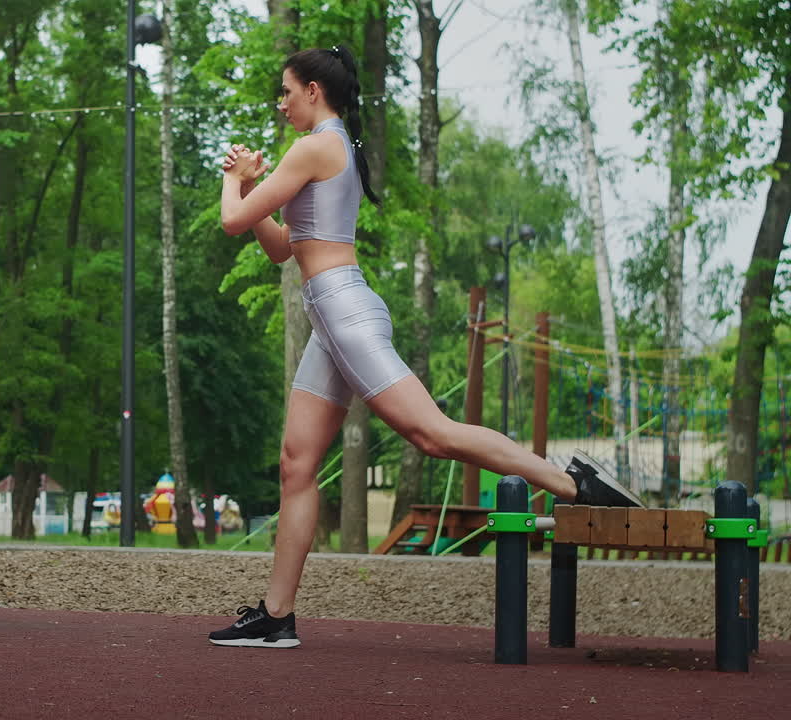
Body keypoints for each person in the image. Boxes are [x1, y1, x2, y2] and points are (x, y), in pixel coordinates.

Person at [208, 45, 643, 650]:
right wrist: (253, 186)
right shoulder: (325, 148)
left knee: (433, 434)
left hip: (344, 313)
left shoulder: (315, 146)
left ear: (313, 90)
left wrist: (234, 180)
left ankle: (574, 486)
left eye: (285, 91)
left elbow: (231, 220)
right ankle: (277, 617)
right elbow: (283, 247)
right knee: (297, 465)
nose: (280, 103)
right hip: (332, 318)